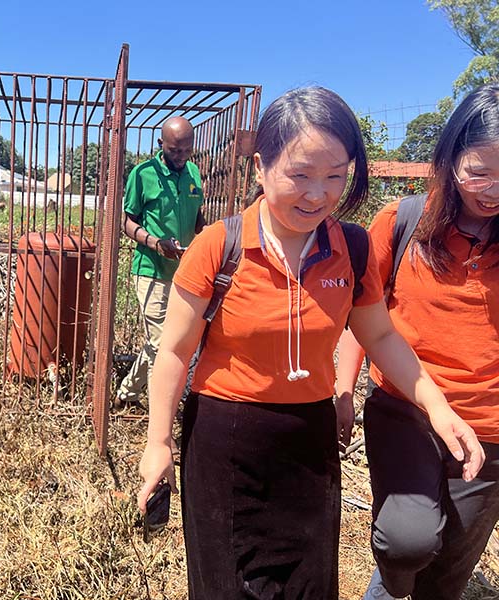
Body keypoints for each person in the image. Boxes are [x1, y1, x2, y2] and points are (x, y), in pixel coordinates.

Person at [136, 86, 485, 600]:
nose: (318, 194)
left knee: (307, 585)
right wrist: (158, 444)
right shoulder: (220, 246)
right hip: (223, 436)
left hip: (310, 439)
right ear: (260, 167)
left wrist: (437, 407)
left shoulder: (353, 247)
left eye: (335, 176)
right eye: (299, 174)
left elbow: (381, 335)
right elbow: (173, 351)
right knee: (225, 587)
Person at [337, 83, 499, 600]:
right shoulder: (402, 223)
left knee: (449, 568)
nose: (493, 189)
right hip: (406, 408)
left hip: (491, 428)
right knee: (407, 542)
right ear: (450, 159)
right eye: (480, 171)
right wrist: (342, 391)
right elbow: (366, 321)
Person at [115, 116, 206, 408]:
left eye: (186, 150)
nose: (180, 157)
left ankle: (127, 393)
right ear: (161, 145)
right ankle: (159, 423)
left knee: (162, 342)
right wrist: (155, 243)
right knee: (162, 345)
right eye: (174, 150)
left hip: (184, 275)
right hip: (150, 271)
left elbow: (197, 217)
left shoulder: (193, 172)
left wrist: (206, 242)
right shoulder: (142, 174)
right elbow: (126, 222)